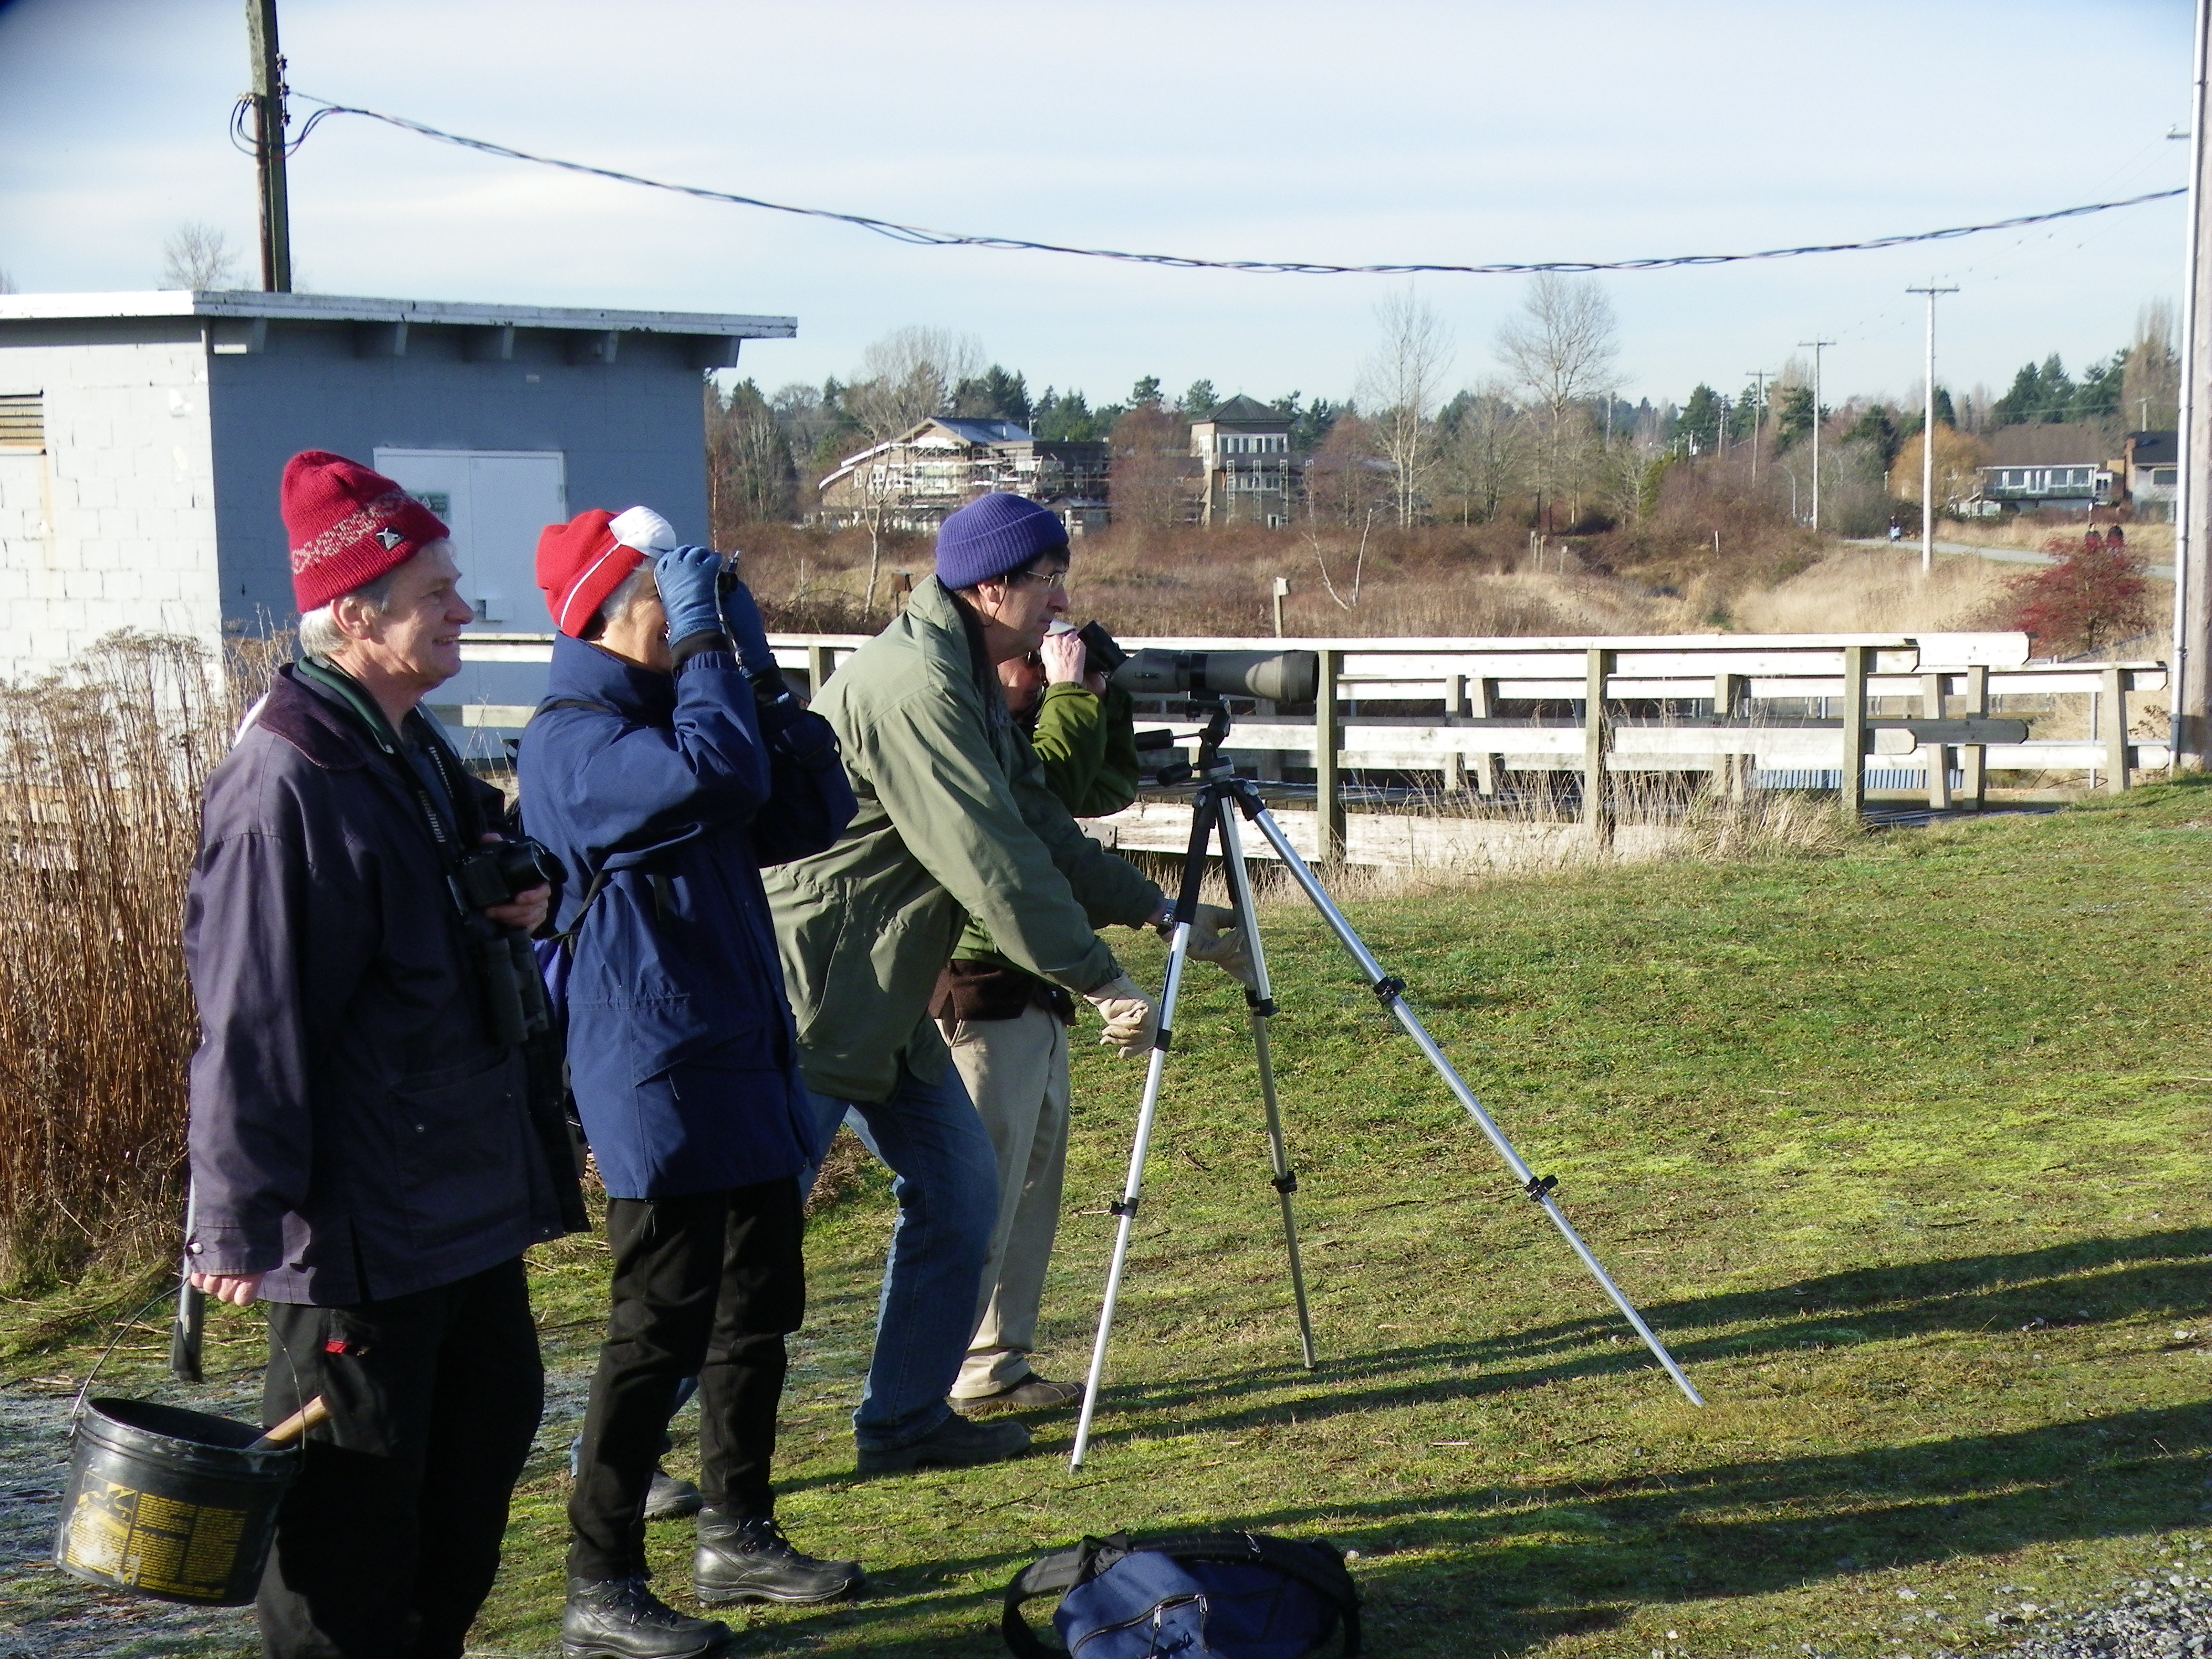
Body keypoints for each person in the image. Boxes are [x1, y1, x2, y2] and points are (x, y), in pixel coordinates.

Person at [184, 450, 582, 1658]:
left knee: (471, 1474)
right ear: (354, 615)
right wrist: (237, 1217)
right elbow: (250, 1015)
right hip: (363, 1225)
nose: (465, 608)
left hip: (461, 1198)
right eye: (435, 593)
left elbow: (480, 860)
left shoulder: (405, 743)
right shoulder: (287, 781)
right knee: (350, 1530)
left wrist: (525, 886)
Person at [765, 492, 1246, 1475]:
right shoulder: (918, 690)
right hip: (821, 992)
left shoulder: (966, 675)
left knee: (961, 1195)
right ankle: (628, 1459)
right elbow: (991, 861)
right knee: (745, 1238)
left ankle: (905, 1420)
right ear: (990, 588)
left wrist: (1159, 913)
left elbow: (1041, 826)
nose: (1062, 601)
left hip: (889, 991)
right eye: (1048, 580)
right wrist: (1101, 980)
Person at [519, 508, 862, 1659]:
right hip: (652, 1068)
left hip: (737, 1050)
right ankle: (601, 1581)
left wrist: (751, 667)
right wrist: (712, 654)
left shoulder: (682, 715)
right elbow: (718, 773)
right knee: (655, 1328)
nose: (693, 618)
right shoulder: (573, 742)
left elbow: (809, 808)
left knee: (757, 1308)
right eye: (675, 601)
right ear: (617, 612)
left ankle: (737, 1533)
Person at [936, 624, 1156, 1417]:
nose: (1043, 664)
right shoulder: (965, 724)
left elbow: (1105, 786)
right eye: (1030, 656)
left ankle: (996, 1365)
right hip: (977, 984)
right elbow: (1044, 803)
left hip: (1033, 985)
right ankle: (943, 1375)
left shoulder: (1033, 720)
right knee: (985, 1189)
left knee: (1030, 1187)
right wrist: (1064, 695)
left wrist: (1094, 695)